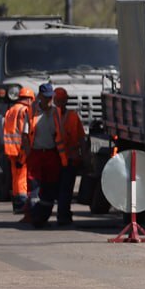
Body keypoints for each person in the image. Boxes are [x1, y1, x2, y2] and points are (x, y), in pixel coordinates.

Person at [24, 83, 74, 228]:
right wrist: (29, 155)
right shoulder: (31, 111)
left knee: (50, 186)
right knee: (34, 186)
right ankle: (34, 215)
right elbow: (25, 135)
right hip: (36, 153)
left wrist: (63, 157)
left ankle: (43, 216)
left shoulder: (55, 112)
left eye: (50, 98)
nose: (48, 101)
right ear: (39, 97)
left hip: (52, 154)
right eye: (46, 98)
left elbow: (59, 135)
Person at [51, 87, 86, 226]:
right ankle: (63, 215)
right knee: (65, 189)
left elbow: (81, 138)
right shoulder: (69, 116)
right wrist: (85, 156)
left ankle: (63, 214)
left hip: (62, 159)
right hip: (64, 159)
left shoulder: (52, 116)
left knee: (62, 188)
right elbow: (82, 139)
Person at [1, 86, 35, 214]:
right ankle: (21, 201)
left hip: (10, 149)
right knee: (22, 177)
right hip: (21, 148)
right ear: (29, 99)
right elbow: (24, 133)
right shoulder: (25, 111)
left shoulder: (10, 111)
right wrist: (24, 151)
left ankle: (16, 201)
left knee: (15, 176)